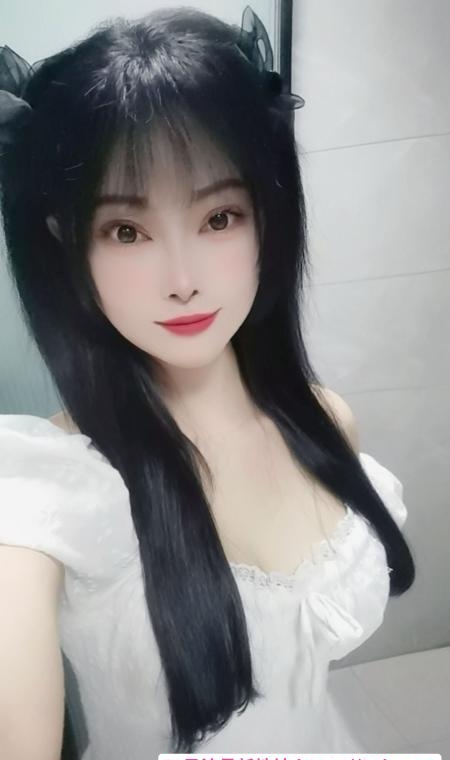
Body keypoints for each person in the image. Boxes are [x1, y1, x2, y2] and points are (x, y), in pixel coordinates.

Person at [0, 7, 415, 759]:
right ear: (66, 242)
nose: (183, 280)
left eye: (220, 217)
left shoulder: (325, 420)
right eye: (127, 231)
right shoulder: (47, 491)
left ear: (268, 217)